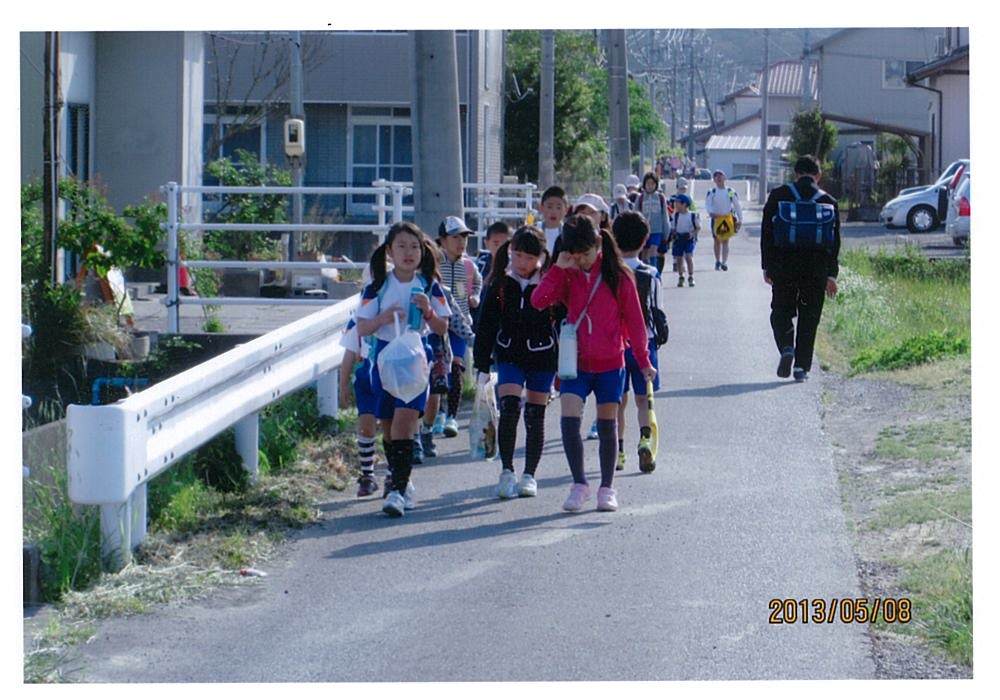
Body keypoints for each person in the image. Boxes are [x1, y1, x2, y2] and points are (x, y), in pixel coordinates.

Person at [531, 215, 656, 513]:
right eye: (574, 256)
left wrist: (644, 361)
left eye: (586, 254)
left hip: (611, 362)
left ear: (599, 244)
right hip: (575, 364)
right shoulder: (567, 273)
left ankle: (606, 487)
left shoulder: (619, 275)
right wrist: (558, 269)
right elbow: (538, 300)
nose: (582, 261)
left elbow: (636, 324)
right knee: (569, 419)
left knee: (606, 424)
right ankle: (580, 484)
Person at [355, 222, 451, 517]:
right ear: (389, 251)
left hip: (414, 358)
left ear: (422, 251)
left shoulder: (429, 285)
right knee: (387, 426)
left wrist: (429, 312)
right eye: (401, 246)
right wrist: (382, 318)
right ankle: (401, 480)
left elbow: (442, 326)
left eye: (414, 247)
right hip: (383, 358)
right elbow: (361, 326)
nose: (408, 253)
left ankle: (397, 490)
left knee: (403, 424)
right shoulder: (377, 286)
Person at [473, 226, 555, 499]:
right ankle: (507, 471)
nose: (522, 263)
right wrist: (482, 364)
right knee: (509, 408)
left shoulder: (549, 281)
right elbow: (486, 323)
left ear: (541, 256)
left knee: (535, 413)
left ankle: (529, 475)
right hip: (508, 352)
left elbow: (565, 318)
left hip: (543, 354)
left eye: (529, 258)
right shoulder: (500, 282)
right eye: (517, 255)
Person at [761, 155, 841, 383]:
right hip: (815, 269)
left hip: (784, 265)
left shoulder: (778, 196)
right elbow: (834, 243)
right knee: (809, 316)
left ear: (795, 174)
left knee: (781, 312)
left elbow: (767, 234)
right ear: (818, 175)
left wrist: (767, 266)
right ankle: (801, 368)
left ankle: (787, 347)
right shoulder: (828, 201)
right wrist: (831, 274)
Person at [611, 211, 665, 473]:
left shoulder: (610, 271)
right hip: (646, 343)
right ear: (644, 241)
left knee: (618, 402)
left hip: (616, 345)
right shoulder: (650, 273)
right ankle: (645, 438)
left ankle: (619, 452)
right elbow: (657, 310)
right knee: (644, 400)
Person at [436, 216, 483, 438]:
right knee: (438, 370)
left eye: (464, 237)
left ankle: (451, 417)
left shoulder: (468, 264)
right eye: (455, 237)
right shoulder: (435, 262)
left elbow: (478, 280)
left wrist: (475, 295)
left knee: (456, 368)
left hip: (461, 325)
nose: (461, 242)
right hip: (438, 324)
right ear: (443, 240)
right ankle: (437, 413)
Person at [338, 316, 381, 497]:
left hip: (391, 377)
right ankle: (367, 475)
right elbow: (349, 353)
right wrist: (343, 385)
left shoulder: (396, 315)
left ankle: (395, 474)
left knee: (393, 427)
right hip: (366, 377)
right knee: (366, 426)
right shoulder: (357, 321)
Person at [705, 169, 743, 272]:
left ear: (724, 178)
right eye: (716, 176)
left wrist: (740, 219)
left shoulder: (730, 191)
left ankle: (724, 262)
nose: (719, 178)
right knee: (717, 240)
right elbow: (708, 204)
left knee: (725, 240)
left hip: (727, 218)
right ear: (714, 179)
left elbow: (737, 205)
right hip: (716, 219)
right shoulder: (712, 192)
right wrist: (711, 213)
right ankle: (717, 260)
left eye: (720, 176)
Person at [634, 172, 671, 275]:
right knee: (645, 254)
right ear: (644, 184)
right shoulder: (640, 198)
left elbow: (665, 215)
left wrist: (666, 232)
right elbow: (635, 214)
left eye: (652, 184)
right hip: (643, 230)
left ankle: (655, 274)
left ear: (656, 185)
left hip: (657, 230)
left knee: (653, 250)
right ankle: (646, 275)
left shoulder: (660, 197)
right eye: (648, 183)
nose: (650, 186)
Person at [670, 194, 700, 288]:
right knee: (679, 258)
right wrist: (673, 235)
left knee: (688, 256)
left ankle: (691, 276)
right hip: (679, 238)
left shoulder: (692, 215)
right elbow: (673, 227)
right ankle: (681, 276)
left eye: (678, 203)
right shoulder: (675, 215)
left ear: (684, 204)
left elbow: (698, 227)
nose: (675, 205)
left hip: (688, 239)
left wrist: (693, 233)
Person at [538, 186, 569, 255]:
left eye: (558, 208)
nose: (554, 212)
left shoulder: (568, 232)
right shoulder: (535, 229)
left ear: (566, 210)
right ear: (541, 207)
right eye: (549, 207)